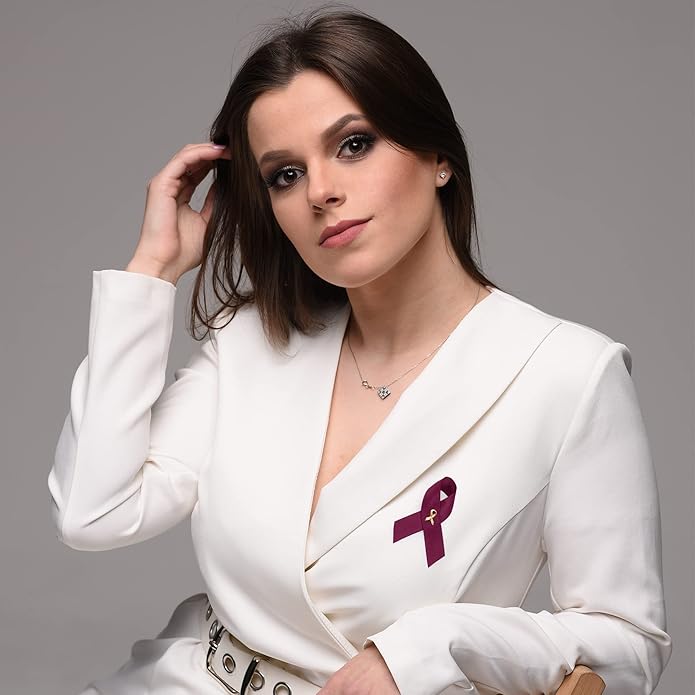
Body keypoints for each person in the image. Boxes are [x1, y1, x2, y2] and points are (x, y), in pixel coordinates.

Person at [48, 6, 672, 695]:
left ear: (437, 156)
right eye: (285, 174)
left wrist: (428, 648)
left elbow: (628, 645)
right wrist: (153, 270)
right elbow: (93, 512)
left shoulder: (566, 375)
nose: (320, 192)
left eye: (353, 145)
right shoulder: (251, 338)